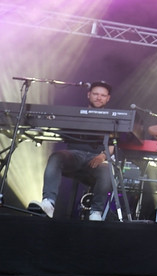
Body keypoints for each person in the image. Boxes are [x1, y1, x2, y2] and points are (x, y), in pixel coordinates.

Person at [29, 81, 115, 221]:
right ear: (88, 95)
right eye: (95, 94)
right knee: (56, 157)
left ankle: (96, 213)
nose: (99, 98)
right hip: (74, 155)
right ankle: (48, 203)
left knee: (107, 171)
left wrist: (103, 156)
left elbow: (113, 144)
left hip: (96, 159)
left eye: (102, 95)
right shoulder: (74, 114)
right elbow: (53, 127)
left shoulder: (113, 118)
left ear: (108, 98)